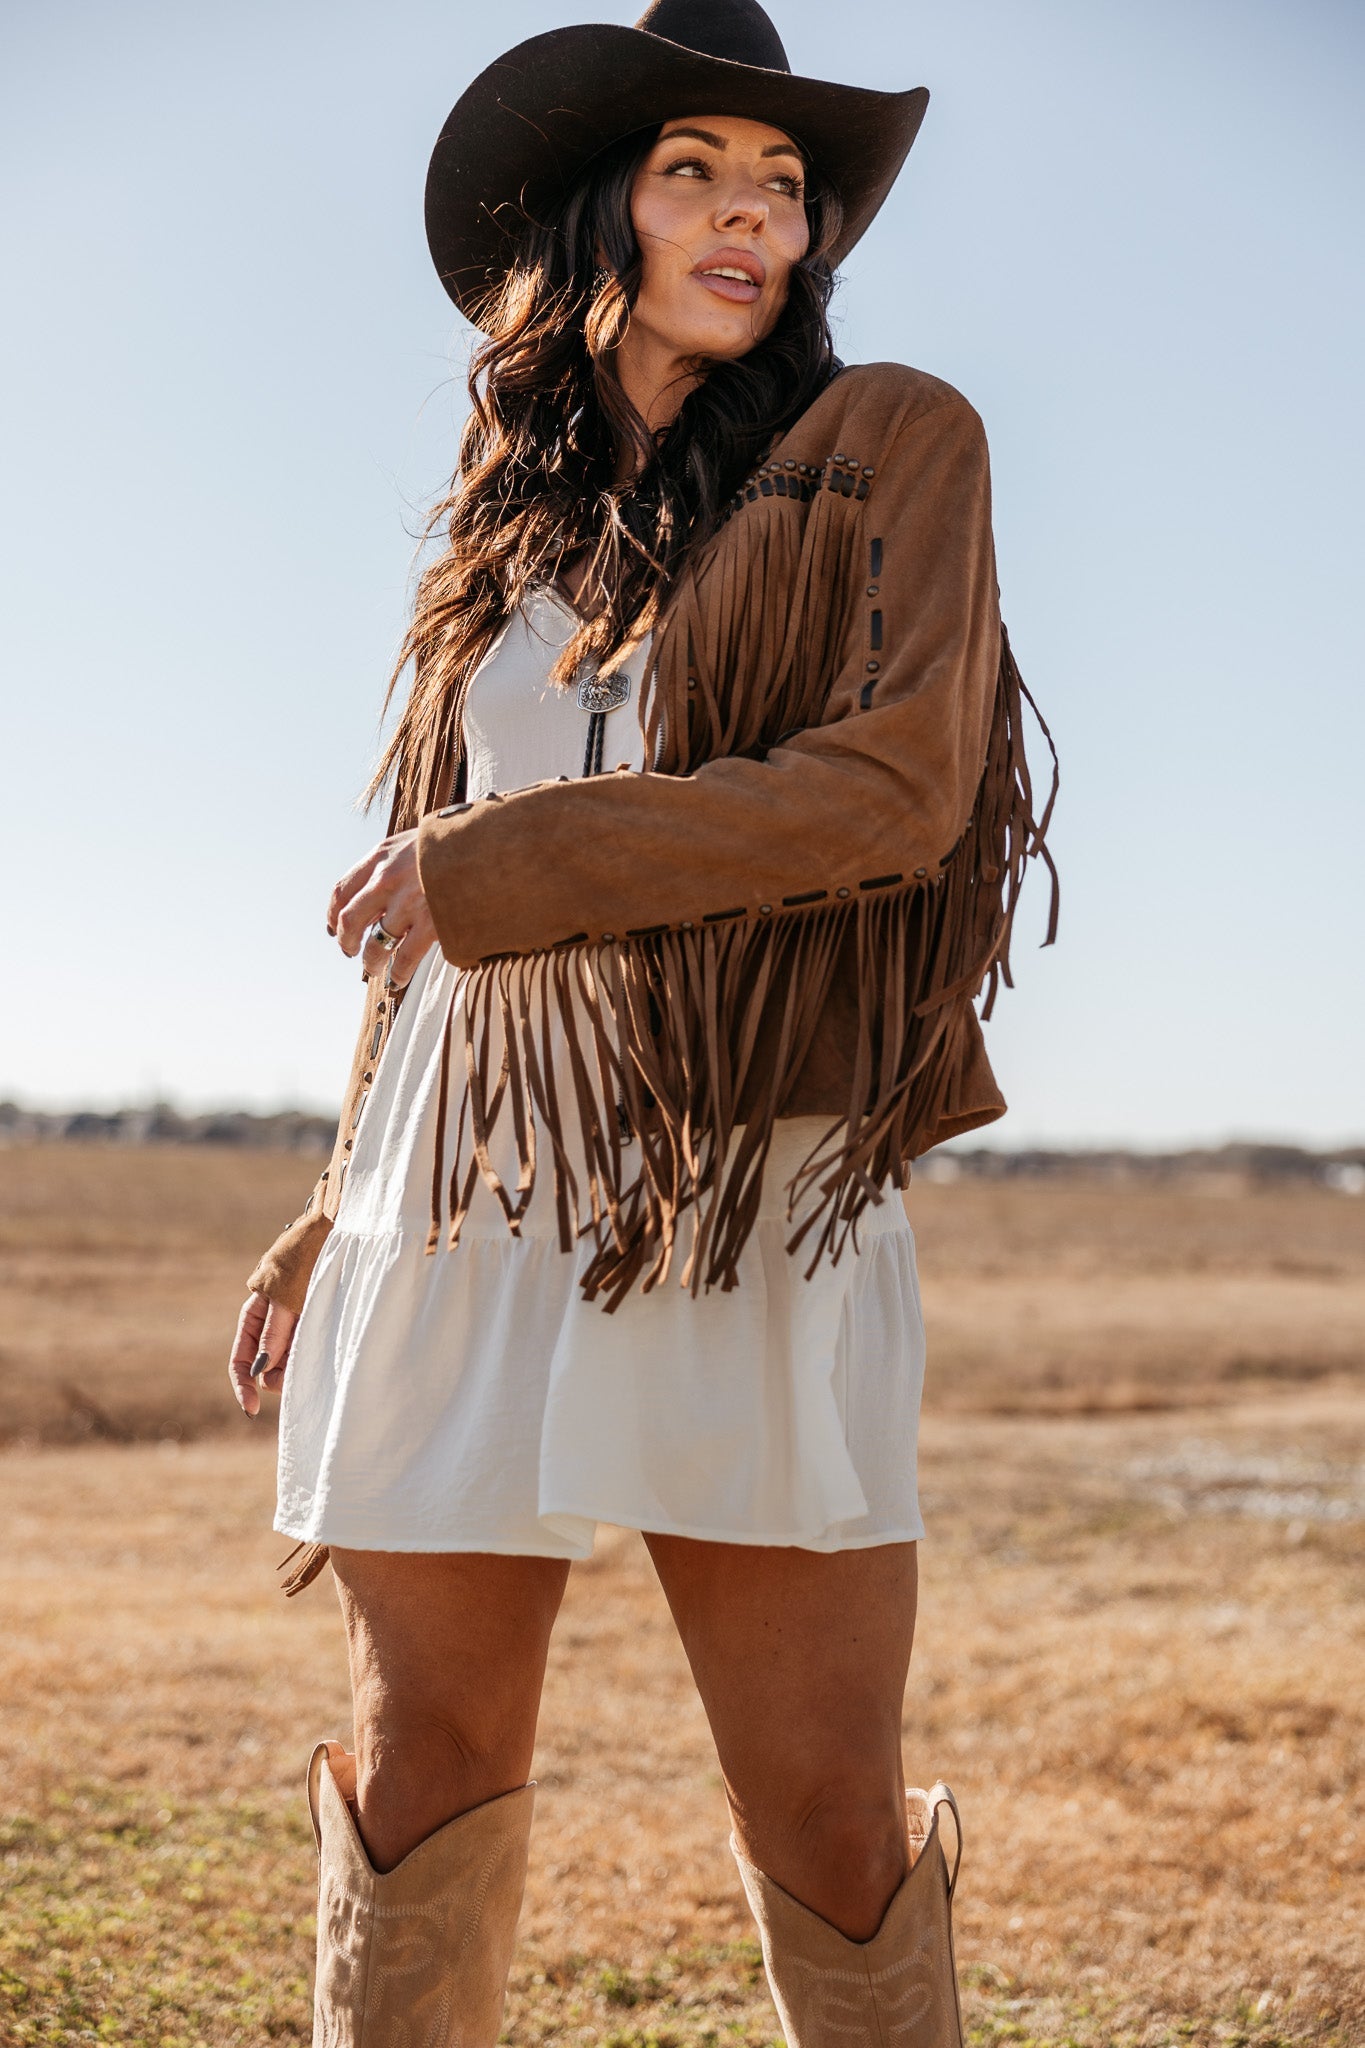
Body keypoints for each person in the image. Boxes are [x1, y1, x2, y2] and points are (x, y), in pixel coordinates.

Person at [227, 2, 1057, 2041]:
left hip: (738, 1178)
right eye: (696, 167)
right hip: (462, 1170)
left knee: (828, 1808)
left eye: (783, 184)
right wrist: (339, 1198)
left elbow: (896, 789)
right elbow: (415, 900)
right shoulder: (494, 531)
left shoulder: (888, 444)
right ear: (595, 211)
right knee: (422, 1766)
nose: (750, 215)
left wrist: (502, 872)